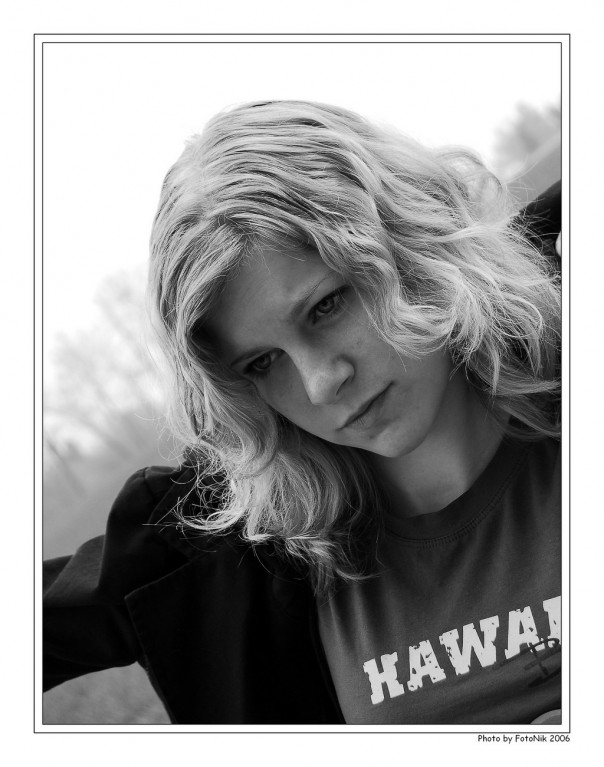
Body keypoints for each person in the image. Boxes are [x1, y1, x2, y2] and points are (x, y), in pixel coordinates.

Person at [43, 100, 562, 725]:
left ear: (411, 243)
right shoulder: (236, 553)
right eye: (263, 363)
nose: (320, 383)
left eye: (326, 306)